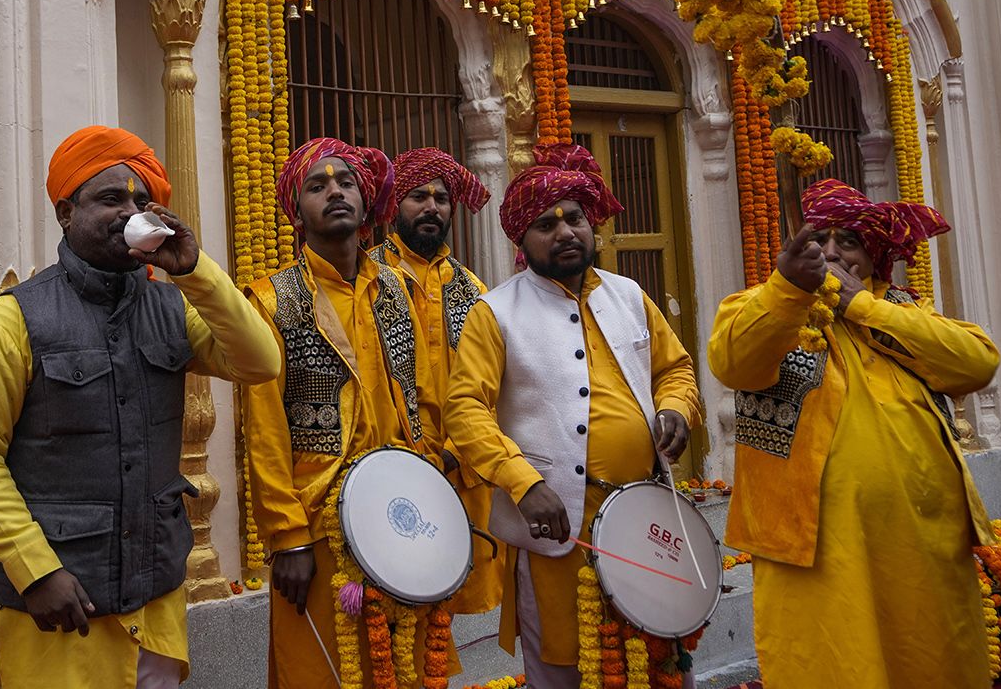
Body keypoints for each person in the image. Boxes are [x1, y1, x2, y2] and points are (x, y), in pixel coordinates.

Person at [0, 126, 281, 689]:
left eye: (141, 201)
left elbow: (259, 361)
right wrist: (36, 571)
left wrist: (194, 270)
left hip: (155, 603)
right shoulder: (12, 320)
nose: (131, 212)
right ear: (64, 211)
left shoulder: (170, 305)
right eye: (111, 199)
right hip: (56, 614)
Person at [708, 178, 997, 689]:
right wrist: (789, 288)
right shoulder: (765, 304)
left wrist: (860, 306)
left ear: (876, 255)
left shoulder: (904, 310)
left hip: (923, 547)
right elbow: (732, 361)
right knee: (836, 669)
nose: (832, 253)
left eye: (850, 242)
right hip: (818, 550)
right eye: (820, 239)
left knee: (933, 668)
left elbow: (976, 364)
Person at [443, 142, 701, 689]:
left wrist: (677, 407)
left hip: (644, 518)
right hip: (558, 530)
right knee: (565, 666)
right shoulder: (496, 313)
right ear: (522, 240)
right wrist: (522, 482)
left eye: (574, 219)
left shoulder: (629, 295)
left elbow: (674, 370)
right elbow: (464, 411)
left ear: (591, 225)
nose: (564, 232)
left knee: (656, 657)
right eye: (545, 224)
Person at [243, 137, 456, 689]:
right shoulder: (271, 301)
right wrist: (287, 538)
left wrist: (434, 474)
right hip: (318, 526)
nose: (335, 192)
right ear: (297, 210)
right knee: (323, 672)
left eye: (346, 183)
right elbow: (264, 433)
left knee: (407, 664)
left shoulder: (395, 289)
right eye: (317, 185)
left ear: (366, 204)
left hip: (403, 511)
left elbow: (425, 396)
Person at [368, 147, 499, 615]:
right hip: (394, 464)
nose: (432, 208)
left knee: (447, 596)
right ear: (392, 207)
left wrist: (457, 453)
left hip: (460, 462)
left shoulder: (473, 289)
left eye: (441, 198)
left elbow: (492, 388)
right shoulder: (368, 279)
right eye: (417, 197)